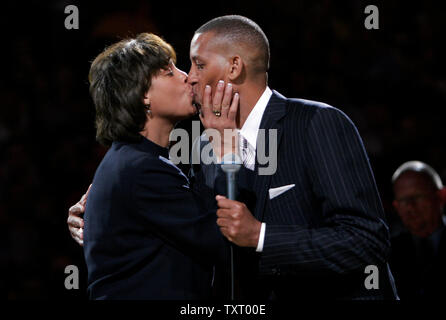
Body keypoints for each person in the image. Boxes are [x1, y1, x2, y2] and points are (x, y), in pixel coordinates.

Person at [69, 15, 398, 300]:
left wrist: (261, 237)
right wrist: (99, 208)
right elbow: (188, 221)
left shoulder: (317, 124)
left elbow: (367, 240)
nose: (190, 76)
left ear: (235, 66)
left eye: (198, 64)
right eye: (178, 69)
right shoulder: (203, 150)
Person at [80, 32, 239, 299]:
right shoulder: (140, 169)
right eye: (168, 72)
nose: (186, 77)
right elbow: (223, 240)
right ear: (142, 94)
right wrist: (226, 146)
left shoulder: (132, 162)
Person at [389, 160, 446, 299]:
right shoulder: (388, 252)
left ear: (441, 196)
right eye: (403, 201)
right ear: (396, 206)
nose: (410, 207)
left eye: (417, 196)